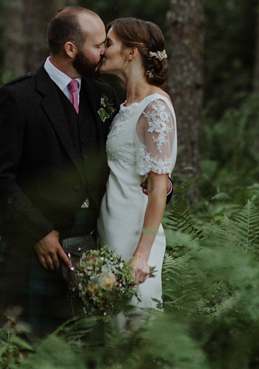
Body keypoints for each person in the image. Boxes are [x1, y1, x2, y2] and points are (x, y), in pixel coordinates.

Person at [0, 6, 118, 337]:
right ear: (70, 49)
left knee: (84, 349)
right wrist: (38, 232)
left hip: (92, 248)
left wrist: (161, 186)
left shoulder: (104, 96)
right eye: (99, 44)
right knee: (25, 348)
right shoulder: (18, 97)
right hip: (33, 251)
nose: (106, 51)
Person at [96, 17, 177, 328]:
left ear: (131, 52)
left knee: (138, 328)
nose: (103, 49)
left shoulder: (155, 106)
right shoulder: (125, 106)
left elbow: (159, 187)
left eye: (109, 43)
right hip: (111, 230)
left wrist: (141, 254)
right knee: (115, 334)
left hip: (134, 237)